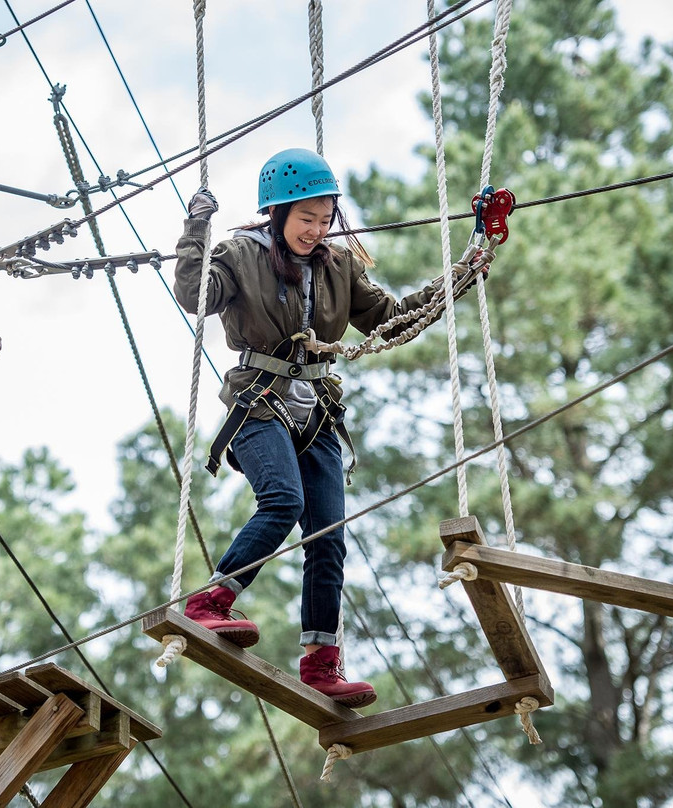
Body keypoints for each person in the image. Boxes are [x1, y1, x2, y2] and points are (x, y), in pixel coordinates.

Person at [173, 148, 478, 708]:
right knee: (283, 502)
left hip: (316, 413)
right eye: (304, 219)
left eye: (324, 218)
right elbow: (194, 295)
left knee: (329, 539)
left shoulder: (339, 266)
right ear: (278, 214)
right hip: (259, 404)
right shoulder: (241, 255)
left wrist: (459, 276)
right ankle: (210, 600)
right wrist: (196, 227)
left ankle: (320, 660)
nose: (315, 230)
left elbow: (392, 318)